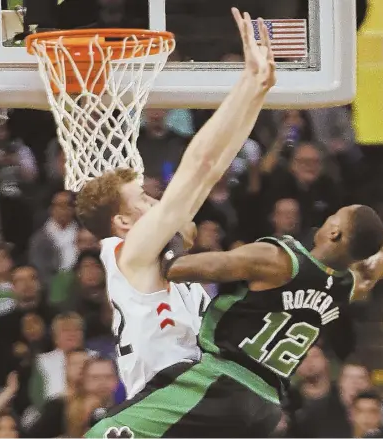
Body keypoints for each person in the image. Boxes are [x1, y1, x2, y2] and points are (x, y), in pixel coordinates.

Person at [86, 149, 383, 438]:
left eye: (336, 213)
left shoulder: (278, 258)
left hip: (219, 380)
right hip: (268, 405)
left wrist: (175, 236)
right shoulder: (351, 286)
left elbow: (175, 267)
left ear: (333, 230)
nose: (330, 211)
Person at [74, 8, 275, 400]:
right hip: (160, 401)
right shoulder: (130, 253)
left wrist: (258, 93)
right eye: (144, 199)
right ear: (123, 222)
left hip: (188, 399)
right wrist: (245, 84)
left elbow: (213, 168)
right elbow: (197, 164)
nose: (156, 202)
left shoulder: (151, 248)